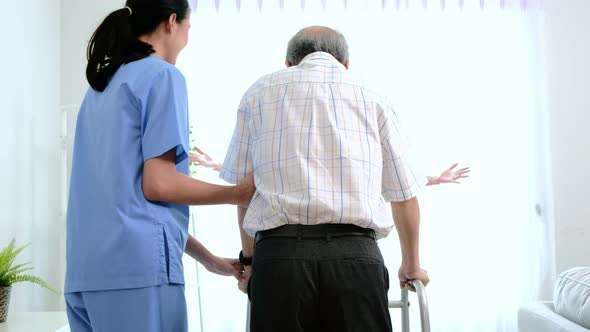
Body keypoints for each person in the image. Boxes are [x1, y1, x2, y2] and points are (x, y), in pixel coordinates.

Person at [220, 25, 431, 332]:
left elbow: (244, 192)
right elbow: (403, 194)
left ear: (289, 64)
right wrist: (411, 263)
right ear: (345, 64)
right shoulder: (373, 96)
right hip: (355, 257)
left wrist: (250, 261)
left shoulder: (259, 93)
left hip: (279, 258)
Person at [64, 2, 253, 331]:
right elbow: (159, 184)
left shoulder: (101, 88)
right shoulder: (163, 76)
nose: (186, 39)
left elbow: (132, 199)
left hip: (86, 275)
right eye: (188, 29)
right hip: (137, 275)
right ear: (171, 23)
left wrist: (208, 260)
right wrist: (241, 192)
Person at [191, 146, 470, 185]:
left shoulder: (355, 157)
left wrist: (436, 179)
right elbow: (256, 172)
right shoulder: (293, 154)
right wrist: (216, 164)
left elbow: (395, 180)